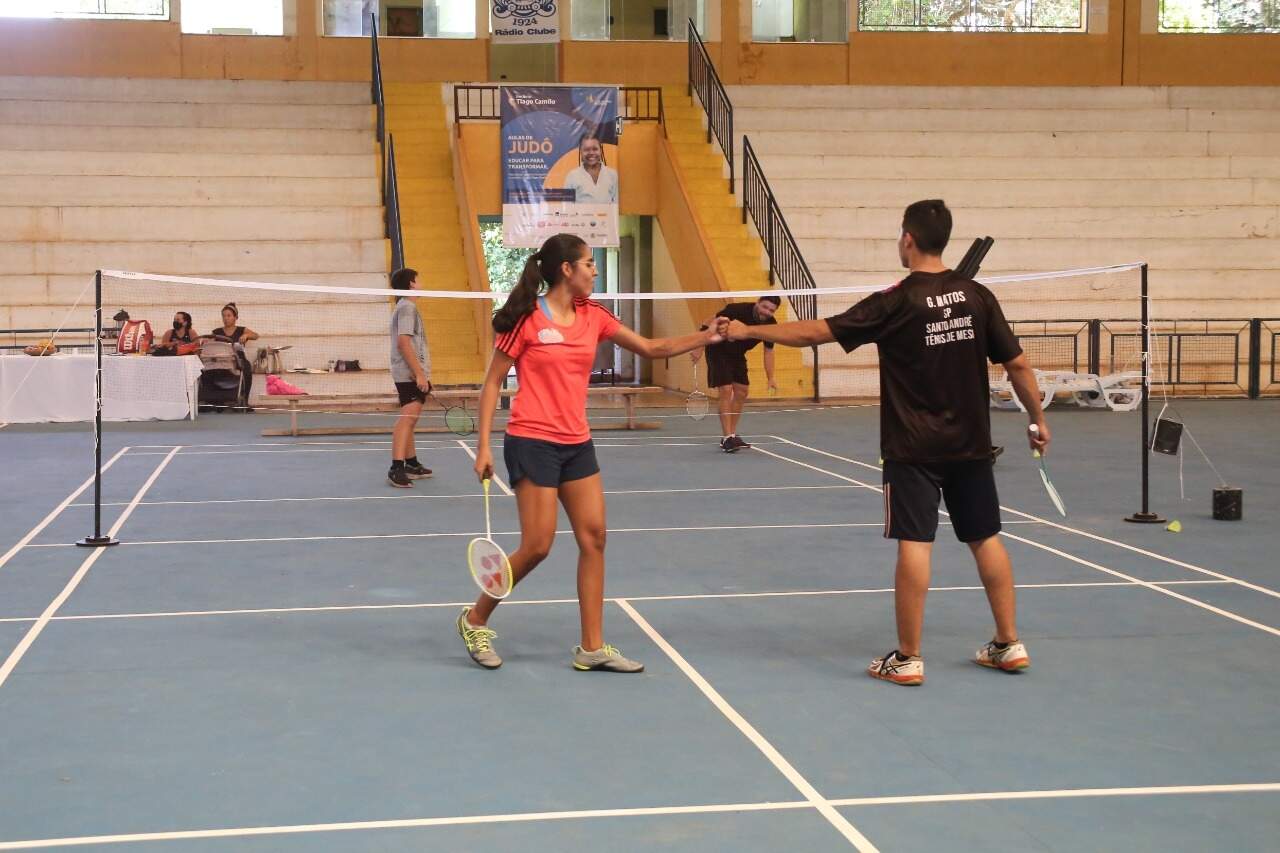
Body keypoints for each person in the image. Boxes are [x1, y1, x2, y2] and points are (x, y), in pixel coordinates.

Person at [724, 199, 1050, 686]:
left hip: (913, 449)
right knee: (985, 537)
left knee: (916, 543)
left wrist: (748, 328)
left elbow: (818, 332)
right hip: (971, 445)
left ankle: (909, 657)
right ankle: (1008, 642)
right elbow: (1019, 366)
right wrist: (1037, 419)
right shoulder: (977, 296)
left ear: (908, 239)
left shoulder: (894, 300)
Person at [460, 232, 723, 672]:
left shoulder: (594, 315)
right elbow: (491, 384)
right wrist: (483, 445)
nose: (594, 270)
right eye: (589, 263)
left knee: (594, 538)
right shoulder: (525, 320)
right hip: (532, 439)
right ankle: (474, 617)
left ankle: (592, 646)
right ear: (567, 269)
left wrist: (706, 339)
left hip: (576, 441)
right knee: (538, 545)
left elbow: (651, 348)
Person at [692, 294, 779, 452]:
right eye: (764, 307)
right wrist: (698, 347)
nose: (767, 312)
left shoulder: (771, 326)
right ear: (757, 303)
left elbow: (768, 352)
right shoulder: (737, 310)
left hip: (737, 354)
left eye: (771, 310)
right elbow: (708, 323)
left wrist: (771, 377)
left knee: (742, 392)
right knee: (725, 390)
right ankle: (727, 438)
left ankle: (731, 435)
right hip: (718, 350)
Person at [388, 267, 432, 488]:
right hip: (408, 373)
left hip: (410, 372)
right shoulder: (407, 308)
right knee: (407, 418)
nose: (421, 282)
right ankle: (396, 467)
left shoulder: (407, 307)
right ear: (412, 284)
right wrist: (419, 373)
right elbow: (403, 343)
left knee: (411, 419)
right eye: (419, 279)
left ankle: (411, 463)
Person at [205, 303, 259, 407]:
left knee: (247, 367)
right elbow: (209, 342)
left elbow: (256, 335)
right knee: (206, 367)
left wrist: (246, 335)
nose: (226, 318)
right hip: (221, 360)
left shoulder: (241, 330)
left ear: (236, 317)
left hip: (238, 359)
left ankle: (245, 400)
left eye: (229, 316)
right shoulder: (216, 332)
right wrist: (205, 341)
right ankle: (211, 399)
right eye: (224, 316)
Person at [563, 136, 618, 205]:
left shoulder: (612, 175)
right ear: (581, 151)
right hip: (580, 215)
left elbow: (617, 204)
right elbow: (567, 206)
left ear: (600, 150)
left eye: (595, 149)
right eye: (586, 149)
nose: (591, 153)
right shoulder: (572, 176)